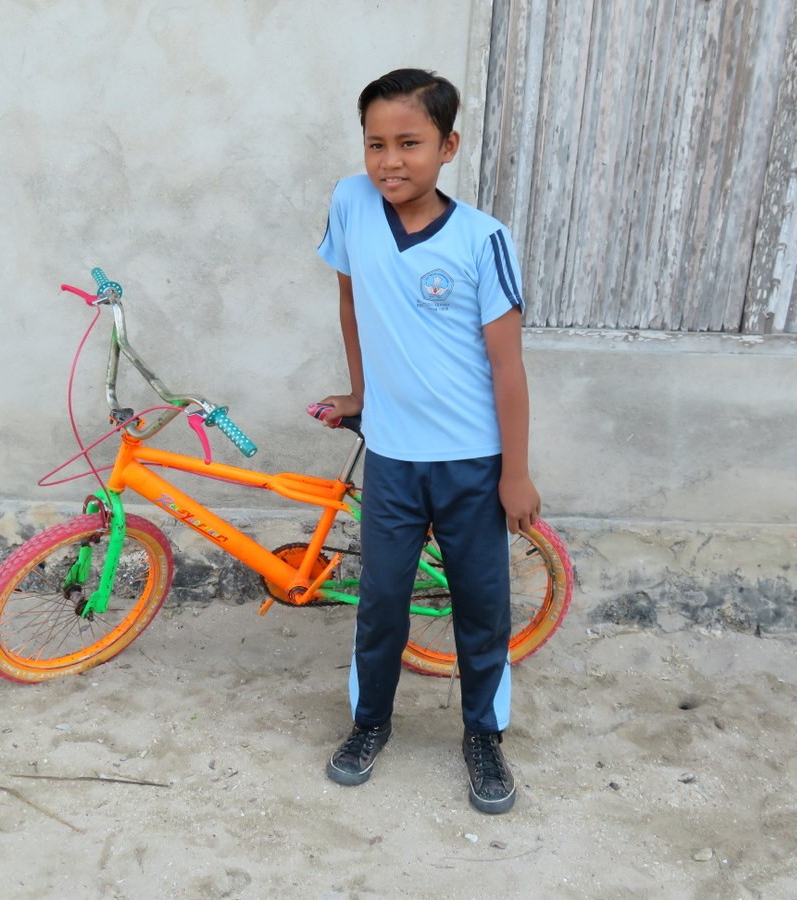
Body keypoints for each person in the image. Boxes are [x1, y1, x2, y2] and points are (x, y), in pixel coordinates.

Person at [315, 68, 540, 814]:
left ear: (448, 146)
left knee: (480, 606)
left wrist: (515, 473)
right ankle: (369, 725)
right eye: (376, 143)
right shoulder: (351, 203)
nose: (390, 161)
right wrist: (361, 394)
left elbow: (507, 367)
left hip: (472, 462)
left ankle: (484, 737)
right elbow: (353, 300)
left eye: (409, 143)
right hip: (392, 458)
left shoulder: (483, 240)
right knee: (382, 602)